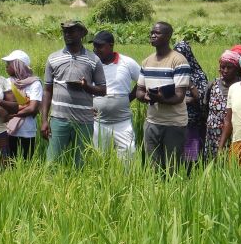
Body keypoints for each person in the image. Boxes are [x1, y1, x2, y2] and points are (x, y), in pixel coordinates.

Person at [41, 21, 106, 167]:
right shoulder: (53, 58)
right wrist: (44, 120)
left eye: (72, 31)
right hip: (59, 119)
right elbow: (47, 90)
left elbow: (103, 90)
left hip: (84, 120)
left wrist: (86, 87)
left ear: (82, 34)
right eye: (65, 31)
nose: (68, 34)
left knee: (81, 164)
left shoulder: (93, 60)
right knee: (52, 163)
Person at [136, 22, 191, 172]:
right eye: (152, 32)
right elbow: (139, 91)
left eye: (157, 33)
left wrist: (159, 98)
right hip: (152, 122)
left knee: (173, 168)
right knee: (154, 168)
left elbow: (179, 97)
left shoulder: (178, 61)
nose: (153, 35)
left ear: (168, 36)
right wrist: (146, 97)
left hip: (174, 124)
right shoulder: (147, 61)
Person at [91, 32, 140, 164]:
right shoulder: (92, 64)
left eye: (100, 46)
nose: (96, 50)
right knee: (99, 158)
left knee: (128, 156)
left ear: (111, 45)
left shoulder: (127, 62)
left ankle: (126, 182)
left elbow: (142, 81)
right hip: (98, 122)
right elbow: (83, 87)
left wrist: (128, 98)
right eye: (94, 46)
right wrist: (87, 105)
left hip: (122, 122)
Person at [3, 50, 42, 160]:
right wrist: (25, 105)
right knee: (10, 160)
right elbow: (4, 106)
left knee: (27, 159)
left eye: (9, 64)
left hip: (27, 130)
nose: (6, 67)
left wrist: (12, 113)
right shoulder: (6, 82)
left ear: (17, 65)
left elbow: (33, 108)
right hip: (9, 129)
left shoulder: (35, 83)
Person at [174, 40, 209, 168]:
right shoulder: (173, 72)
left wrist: (189, 84)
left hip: (192, 120)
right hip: (174, 119)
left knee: (191, 155)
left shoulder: (197, 74)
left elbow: (202, 97)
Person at [202, 50, 241, 161]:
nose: (225, 70)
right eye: (223, 67)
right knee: (212, 162)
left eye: (229, 67)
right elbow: (205, 107)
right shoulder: (212, 84)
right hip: (213, 133)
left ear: (237, 68)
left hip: (235, 132)